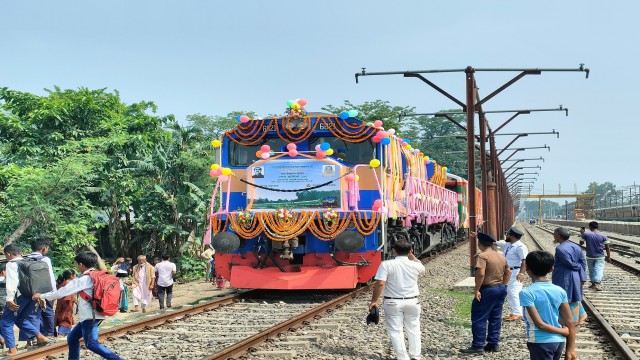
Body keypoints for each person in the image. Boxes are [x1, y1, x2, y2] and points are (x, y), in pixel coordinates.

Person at [33, 251, 122, 360]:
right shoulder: (98, 275)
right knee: (72, 338)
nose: (76, 266)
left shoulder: (84, 279)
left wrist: (42, 296)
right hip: (93, 314)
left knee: (91, 344)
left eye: (76, 264)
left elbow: (61, 292)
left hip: (90, 316)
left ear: (81, 265)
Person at [369, 240, 425, 360]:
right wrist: (410, 254)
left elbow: (380, 284)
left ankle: (403, 357)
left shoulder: (386, 265)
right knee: (414, 328)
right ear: (410, 251)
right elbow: (419, 264)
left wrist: (374, 301)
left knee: (396, 330)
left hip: (392, 302)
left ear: (393, 250)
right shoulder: (416, 265)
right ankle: (415, 356)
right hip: (412, 301)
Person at [520, 251, 577, 360]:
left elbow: (540, 324)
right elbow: (570, 321)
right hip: (559, 343)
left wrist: (563, 331)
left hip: (540, 341)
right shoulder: (560, 291)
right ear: (551, 269)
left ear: (527, 270)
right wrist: (571, 349)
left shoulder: (527, 293)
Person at [460, 232, 510, 355]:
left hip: (487, 289)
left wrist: (476, 289)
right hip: (500, 288)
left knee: (479, 318)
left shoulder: (482, 256)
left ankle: (478, 346)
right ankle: (493, 344)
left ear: (480, 243)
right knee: (495, 317)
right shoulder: (501, 256)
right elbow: (508, 272)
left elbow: (481, 274)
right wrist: (504, 284)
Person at [0, 244, 50, 356]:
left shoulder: (11, 264)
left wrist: (9, 299)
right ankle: (40, 337)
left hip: (19, 296)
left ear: (8, 254)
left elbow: (12, 282)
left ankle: (12, 350)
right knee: (20, 318)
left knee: (5, 321)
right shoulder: (29, 261)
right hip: (32, 295)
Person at [22, 238, 58, 339]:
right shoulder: (45, 259)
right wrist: (54, 292)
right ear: (44, 248)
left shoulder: (25, 259)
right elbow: (50, 276)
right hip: (45, 290)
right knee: (48, 312)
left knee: (34, 314)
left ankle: (37, 336)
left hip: (31, 292)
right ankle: (49, 335)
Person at [552, 227, 588, 326]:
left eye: (554, 234)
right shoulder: (576, 246)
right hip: (575, 275)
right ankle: (575, 318)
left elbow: (568, 263)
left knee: (565, 297)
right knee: (574, 295)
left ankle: (567, 321)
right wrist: (581, 274)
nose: (553, 236)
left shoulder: (560, 248)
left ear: (558, 236)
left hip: (564, 276)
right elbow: (583, 262)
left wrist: (577, 267)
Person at [496, 227, 528, 321]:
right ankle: (516, 311)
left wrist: (521, 274)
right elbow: (494, 242)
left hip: (515, 272)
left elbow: (524, 261)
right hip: (508, 272)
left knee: (513, 291)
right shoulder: (508, 244)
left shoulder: (520, 247)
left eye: (508, 234)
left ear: (512, 236)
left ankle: (517, 313)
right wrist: (478, 236)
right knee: (510, 291)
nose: (506, 235)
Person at [579, 221, 611, 291]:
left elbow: (581, 243)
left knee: (591, 270)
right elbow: (607, 247)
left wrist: (582, 234)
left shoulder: (586, 234)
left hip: (589, 256)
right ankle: (596, 283)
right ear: (597, 227)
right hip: (600, 256)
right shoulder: (603, 235)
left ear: (590, 227)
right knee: (599, 269)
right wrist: (608, 256)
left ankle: (594, 283)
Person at [54, 269, 77, 337]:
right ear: (72, 276)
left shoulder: (62, 283)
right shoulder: (69, 282)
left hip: (60, 301)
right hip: (67, 301)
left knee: (61, 315)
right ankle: (61, 333)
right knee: (66, 316)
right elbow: (70, 293)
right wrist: (75, 301)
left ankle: (64, 333)